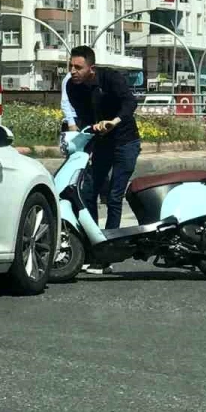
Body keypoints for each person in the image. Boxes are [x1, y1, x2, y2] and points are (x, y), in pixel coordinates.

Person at [61, 46, 141, 272]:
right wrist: (88, 135)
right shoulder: (72, 87)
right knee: (88, 192)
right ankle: (95, 242)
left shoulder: (111, 78)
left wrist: (113, 121)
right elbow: (84, 115)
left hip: (126, 142)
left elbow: (130, 103)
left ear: (91, 69)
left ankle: (108, 254)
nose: (72, 71)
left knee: (114, 196)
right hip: (102, 142)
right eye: (71, 66)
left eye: (78, 67)